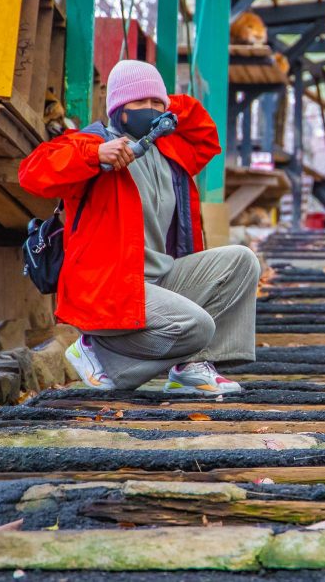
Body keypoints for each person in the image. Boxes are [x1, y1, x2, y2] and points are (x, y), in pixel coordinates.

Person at [19, 60, 259, 395]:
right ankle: (99, 354)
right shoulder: (94, 144)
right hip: (109, 286)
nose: (149, 109)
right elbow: (32, 172)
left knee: (242, 260)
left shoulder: (169, 149)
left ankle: (190, 367)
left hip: (159, 280)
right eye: (138, 103)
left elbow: (206, 134)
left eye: (155, 103)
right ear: (118, 107)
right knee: (198, 326)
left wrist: (160, 101)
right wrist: (96, 153)